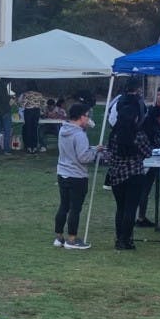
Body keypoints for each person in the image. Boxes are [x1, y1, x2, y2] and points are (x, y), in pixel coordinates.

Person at [53, 103, 103, 250]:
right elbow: (83, 157)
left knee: (64, 205)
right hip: (77, 176)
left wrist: (93, 149)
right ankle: (72, 239)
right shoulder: (80, 134)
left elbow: (74, 151)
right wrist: (94, 153)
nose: (88, 119)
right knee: (75, 208)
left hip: (63, 173)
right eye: (87, 116)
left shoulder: (64, 129)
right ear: (81, 117)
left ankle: (59, 237)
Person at [106, 96, 152, 250]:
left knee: (120, 208)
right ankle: (127, 239)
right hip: (134, 174)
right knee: (131, 208)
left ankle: (119, 238)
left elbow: (110, 153)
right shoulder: (138, 135)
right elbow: (147, 152)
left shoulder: (114, 135)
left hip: (117, 175)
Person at [136, 88, 160, 227]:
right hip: (148, 159)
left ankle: (141, 216)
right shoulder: (152, 126)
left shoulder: (150, 123)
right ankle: (140, 217)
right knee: (145, 187)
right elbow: (159, 142)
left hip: (148, 157)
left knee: (145, 188)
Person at [18, 82, 45, 154]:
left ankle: (29, 147)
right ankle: (35, 147)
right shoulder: (39, 94)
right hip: (36, 111)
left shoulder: (26, 94)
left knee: (28, 129)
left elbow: (22, 104)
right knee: (34, 129)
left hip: (28, 112)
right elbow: (43, 104)